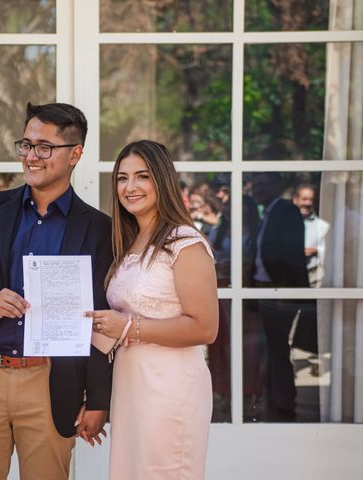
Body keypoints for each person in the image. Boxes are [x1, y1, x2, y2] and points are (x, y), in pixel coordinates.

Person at [0, 102, 113, 480]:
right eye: (26, 145)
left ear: (75, 154)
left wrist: (99, 400)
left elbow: (100, 321)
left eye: (44, 147)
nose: (31, 156)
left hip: (51, 382)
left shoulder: (98, 228)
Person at [86, 140, 218, 480]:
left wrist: (129, 327)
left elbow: (205, 328)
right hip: (131, 384)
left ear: (162, 180)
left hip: (171, 387)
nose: (130, 187)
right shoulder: (129, 243)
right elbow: (114, 326)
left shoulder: (184, 242)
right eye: (122, 178)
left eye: (142, 176)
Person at [250, 172, 310, 421]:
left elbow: (292, 254)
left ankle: (284, 402)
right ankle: (274, 398)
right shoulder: (267, 211)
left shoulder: (286, 210)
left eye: (262, 184)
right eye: (255, 186)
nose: (257, 190)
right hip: (262, 289)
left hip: (278, 290)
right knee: (269, 349)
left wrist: (288, 291)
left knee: (277, 349)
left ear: (276, 184)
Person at [293, 184, 330, 288]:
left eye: (311, 200)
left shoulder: (322, 225)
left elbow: (331, 252)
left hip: (313, 278)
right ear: (296, 200)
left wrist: (315, 251)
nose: (307, 203)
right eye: (304, 199)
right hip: (290, 277)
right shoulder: (285, 223)